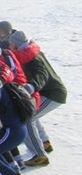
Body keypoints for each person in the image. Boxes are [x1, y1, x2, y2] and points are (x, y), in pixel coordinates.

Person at [8, 31, 67, 167]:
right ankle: (44, 142)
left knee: (28, 119)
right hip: (48, 92)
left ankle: (40, 155)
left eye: (11, 44)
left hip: (53, 94)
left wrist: (32, 86)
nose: (9, 46)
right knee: (32, 112)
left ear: (17, 45)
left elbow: (42, 74)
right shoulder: (29, 52)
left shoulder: (33, 58)